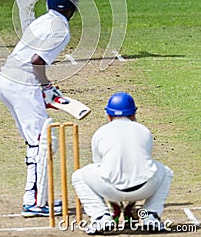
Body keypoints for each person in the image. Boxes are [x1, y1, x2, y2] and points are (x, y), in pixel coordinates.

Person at [0, 0, 78, 217]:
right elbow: (36, 61)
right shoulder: (61, 30)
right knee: (43, 140)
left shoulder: (41, 21)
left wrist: (44, 89)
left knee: (36, 141)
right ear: (71, 8)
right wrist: (46, 86)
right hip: (22, 84)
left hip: (6, 80)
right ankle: (34, 202)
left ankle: (39, 198)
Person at [72, 92, 173, 235]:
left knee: (79, 176)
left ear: (108, 115)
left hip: (110, 189)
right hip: (144, 188)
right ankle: (151, 216)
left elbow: (101, 167)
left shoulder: (100, 132)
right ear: (133, 114)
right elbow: (143, 167)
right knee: (166, 172)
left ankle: (100, 217)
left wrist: (114, 201)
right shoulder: (144, 131)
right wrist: (131, 201)